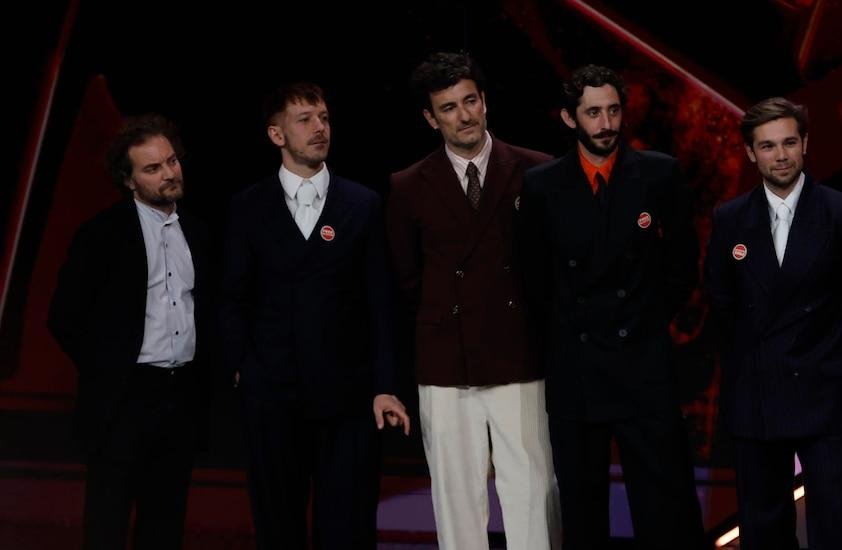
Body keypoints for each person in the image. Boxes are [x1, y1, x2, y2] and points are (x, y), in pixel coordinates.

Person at [519, 64, 705, 549]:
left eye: (613, 110)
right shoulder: (541, 186)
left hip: (644, 364)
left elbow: (684, 263)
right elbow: (534, 278)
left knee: (666, 508)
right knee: (582, 512)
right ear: (569, 117)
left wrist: (645, 319)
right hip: (576, 370)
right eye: (594, 112)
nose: (606, 124)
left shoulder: (659, 173)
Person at [220, 82, 410, 549]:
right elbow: (230, 297)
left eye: (323, 117)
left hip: (347, 399)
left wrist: (386, 384)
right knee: (277, 526)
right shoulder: (247, 207)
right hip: (272, 397)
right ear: (276, 134)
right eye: (304, 119)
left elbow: (381, 302)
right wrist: (241, 369)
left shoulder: (362, 204)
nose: (319, 127)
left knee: (347, 528)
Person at [387, 52, 559, 550]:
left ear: (485, 102)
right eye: (448, 108)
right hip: (445, 362)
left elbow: (548, 270)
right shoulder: (407, 186)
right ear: (430, 118)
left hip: (520, 354)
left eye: (470, 102)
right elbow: (406, 280)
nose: (464, 116)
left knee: (531, 491)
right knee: (456, 496)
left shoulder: (535, 171)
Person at [705, 97, 842, 549]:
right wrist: (749, 365)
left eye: (789, 142)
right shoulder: (729, 220)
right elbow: (721, 304)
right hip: (757, 392)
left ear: (806, 144)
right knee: (763, 525)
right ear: (751, 153)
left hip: (825, 388)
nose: (780, 155)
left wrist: (836, 357)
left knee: (837, 522)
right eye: (767, 146)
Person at [48, 114, 213, 550]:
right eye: (152, 168)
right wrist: (110, 369)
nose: (168, 173)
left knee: (165, 523)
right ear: (129, 180)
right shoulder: (101, 235)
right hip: (122, 400)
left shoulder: (200, 232)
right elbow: (64, 317)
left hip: (179, 398)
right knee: (107, 522)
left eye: (172, 161)